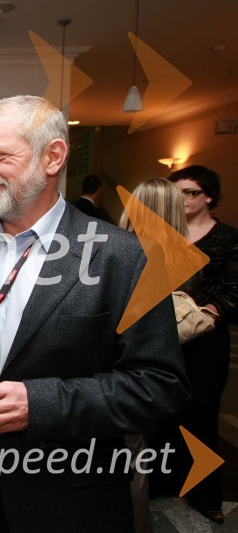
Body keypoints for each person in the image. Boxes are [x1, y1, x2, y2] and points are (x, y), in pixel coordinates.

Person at [0, 95, 189, 533]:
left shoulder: (123, 257)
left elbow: (159, 386)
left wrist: (38, 404)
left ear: (53, 156)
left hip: (68, 501)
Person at [155, 164, 237, 524]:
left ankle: (205, 495)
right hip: (161, 337)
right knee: (158, 412)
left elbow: (234, 289)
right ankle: (161, 483)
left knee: (201, 415)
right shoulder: (160, 233)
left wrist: (205, 316)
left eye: (190, 192)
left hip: (205, 339)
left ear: (208, 196)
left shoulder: (228, 238)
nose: (183, 199)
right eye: (178, 192)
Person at [118, 177, 190, 533]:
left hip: (127, 372)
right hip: (170, 367)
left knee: (129, 464)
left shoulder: (128, 253)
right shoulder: (184, 251)